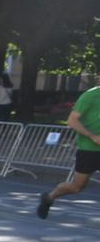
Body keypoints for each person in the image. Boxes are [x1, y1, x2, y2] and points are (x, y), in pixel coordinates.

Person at [37, 76, 100, 218]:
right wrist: (92, 136)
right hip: (89, 149)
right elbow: (72, 121)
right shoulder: (90, 95)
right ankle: (49, 197)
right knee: (77, 187)